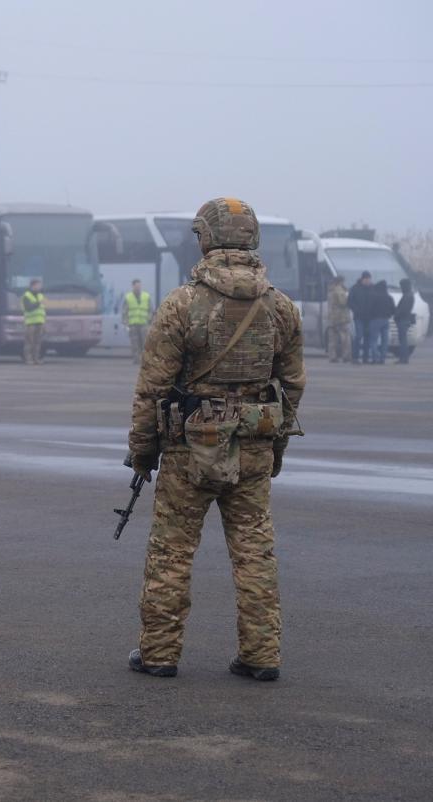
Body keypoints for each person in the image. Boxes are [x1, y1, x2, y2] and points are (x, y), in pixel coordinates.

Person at [126, 197, 305, 682]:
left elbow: (153, 389)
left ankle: (160, 653)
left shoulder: (181, 305)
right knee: (255, 553)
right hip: (253, 448)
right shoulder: (281, 307)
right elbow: (292, 387)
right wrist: (276, 449)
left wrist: (142, 454)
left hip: (190, 451)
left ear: (205, 238)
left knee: (171, 553)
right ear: (252, 240)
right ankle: (261, 655)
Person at [122, 278, 153, 364]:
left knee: (144, 343)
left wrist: (150, 321)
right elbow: (124, 312)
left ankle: (144, 360)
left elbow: (151, 310)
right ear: (133, 286)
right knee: (134, 343)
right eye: (136, 286)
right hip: (132, 325)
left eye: (139, 286)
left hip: (144, 324)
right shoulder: (128, 297)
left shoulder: (146, 296)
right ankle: (136, 359)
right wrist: (125, 324)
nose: (138, 287)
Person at [347, 271, 373, 364]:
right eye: (366, 279)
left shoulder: (372, 288)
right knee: (359, 336)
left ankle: (365, 357)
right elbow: (349, 302)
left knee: (367, 337)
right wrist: (356, 310)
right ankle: (355, 357)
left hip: (370, 318)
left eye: (369, 279)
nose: (368, 281)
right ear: (362, 279)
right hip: (358, 317)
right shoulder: (355, 288)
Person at [367, 280, 395, 365]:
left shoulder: (373, 296)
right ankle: (382, 358)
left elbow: (369, 309)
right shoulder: (389, 297)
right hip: (386, 320)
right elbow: (393, 309)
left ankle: (375, 358)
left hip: (375, 320)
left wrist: (370, 317)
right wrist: (388, 315)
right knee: (384, 341)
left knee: (373, 340)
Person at [325, 274, 351, 363]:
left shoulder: (330, 290)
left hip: (331, 317)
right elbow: (343, 302)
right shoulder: (339, 290)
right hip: (341, 317)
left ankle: (332, 356)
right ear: (341, 281)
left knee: (332, 339)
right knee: (345, 337)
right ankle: (346, 356)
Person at [21, 278, 46, 365]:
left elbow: (43, 310)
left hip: (40, 322)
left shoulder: (40, 295)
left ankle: (36, 359)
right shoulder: (26, 296)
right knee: (29, 342)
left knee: (37, 342)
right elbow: (29, 308)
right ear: (33, 286)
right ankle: (28, 359)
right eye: (38, 285)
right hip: (30, 323)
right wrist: (38, 303)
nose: (40, 287)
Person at [394, 278, 416, 364]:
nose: (401, 287)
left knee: (403, 340)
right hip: (405, 319)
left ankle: (403, 358)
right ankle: (404, 358)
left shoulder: (407, 296)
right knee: (403, 340)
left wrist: (396, 315)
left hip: (403, 320)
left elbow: (403, 310)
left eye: (401, 286)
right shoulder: (409, 295)